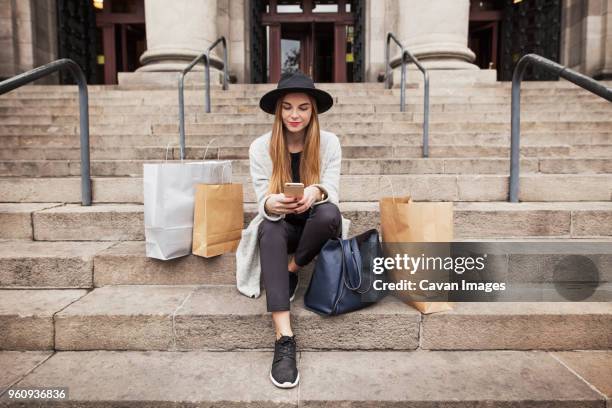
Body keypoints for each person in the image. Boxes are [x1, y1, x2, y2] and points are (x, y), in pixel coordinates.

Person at [235, 71, 350, 389]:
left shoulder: (329, 143)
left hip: (316, 227)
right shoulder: (261, 147)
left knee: (329, 213)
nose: (294, 115)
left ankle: (291, 268)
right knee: (270, 229)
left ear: (312, 111)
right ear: (278, 111)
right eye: (287, 107)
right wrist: (272, 204)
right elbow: (262, 199)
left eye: (302, 107)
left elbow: (333, 192)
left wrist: (317, 192)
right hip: (280, 227)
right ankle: (284, 338)